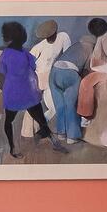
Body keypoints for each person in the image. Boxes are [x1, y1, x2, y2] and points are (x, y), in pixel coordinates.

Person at [0, 20, 51, 159]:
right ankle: (50, 139)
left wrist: (5, 90)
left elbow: (0, 77)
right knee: (41, 120)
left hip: (12, 95)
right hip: (30, 94)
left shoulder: (5, 55)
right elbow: (33, 68)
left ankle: (13, 149)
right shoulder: (26, 53)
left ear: (8, 38)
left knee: (9, 121)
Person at [30, 18, 80, 148]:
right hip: (41, 77)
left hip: (51, 76)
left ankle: (40, 130)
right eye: (47, 37)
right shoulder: (40, 45)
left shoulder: (63, 37)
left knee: (52, 107)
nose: (49, 38)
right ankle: (41, 130)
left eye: (50, 35)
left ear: (55, 32)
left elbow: (68, 54)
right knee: (52, 108)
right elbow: (29, 59)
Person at [77, 17, 107, 150]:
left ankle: (85, 116)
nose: (94, 31)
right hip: (100, 71)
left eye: (96, 28)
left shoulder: (106, 38)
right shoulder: (100, 38)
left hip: (106, 72)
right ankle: (85, 114)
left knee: (85, 83)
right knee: (85, 82)